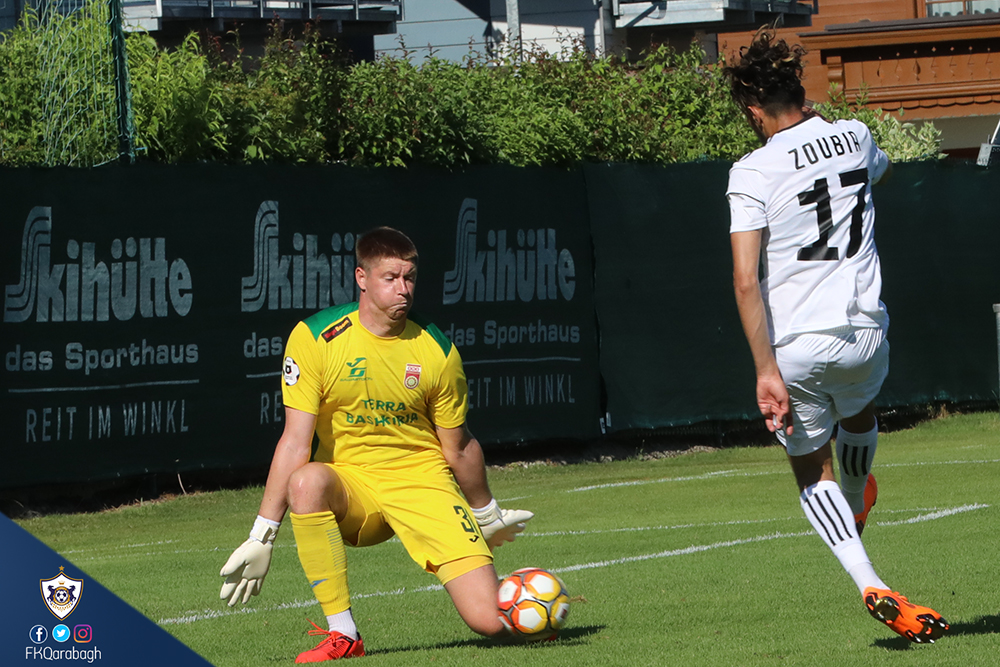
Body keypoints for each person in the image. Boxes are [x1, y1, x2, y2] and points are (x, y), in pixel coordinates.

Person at [723, 28, 948, 644]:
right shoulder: (854, 135)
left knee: (807, 469)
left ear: (753, 110)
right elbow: (884, 172)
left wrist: (764, 370)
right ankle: (855, 497)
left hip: (797, 345)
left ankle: (869, 581)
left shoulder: (751, 170)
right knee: (860, 412)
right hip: (866, 333)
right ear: (800, 92)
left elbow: (745, 280)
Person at [219, 226, 534, 662]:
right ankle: (344, 634)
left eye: (410, 278)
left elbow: (459, 447)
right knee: (307, 481)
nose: (403, 289)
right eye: (391, 278)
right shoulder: (315, 338)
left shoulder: (437, 351)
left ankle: (539, 602)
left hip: (423, 482)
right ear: (361, 278)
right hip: (354, 487)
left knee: (492, 622)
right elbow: (294, 442)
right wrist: (262, 536)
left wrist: (486, 514)